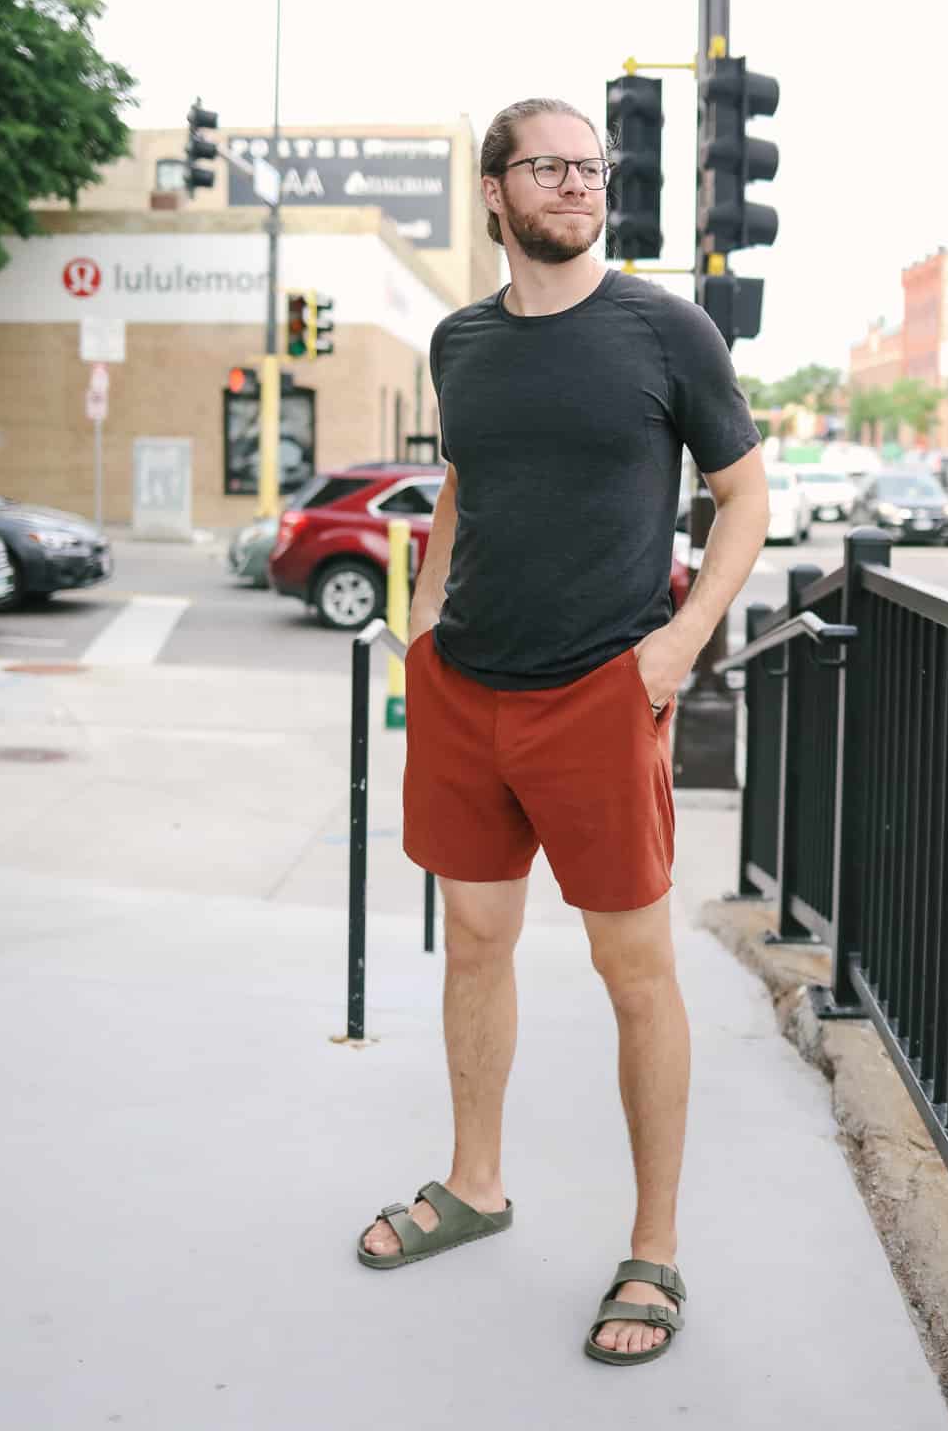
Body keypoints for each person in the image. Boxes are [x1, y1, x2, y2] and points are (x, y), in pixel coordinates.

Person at [356, 97, 769, 1366]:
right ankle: (476, 1185)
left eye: (591, 168)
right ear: (496, 193)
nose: (580, 185)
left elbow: (744, 492)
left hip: (600, 692)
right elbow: (470, 475)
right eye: (550, 168)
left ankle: (656, 1247)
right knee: (475, 943)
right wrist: (422, 627)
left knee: (631, 972)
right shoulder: (459, 340)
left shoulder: (665, 329)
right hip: (466, 690)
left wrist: (678, 644)